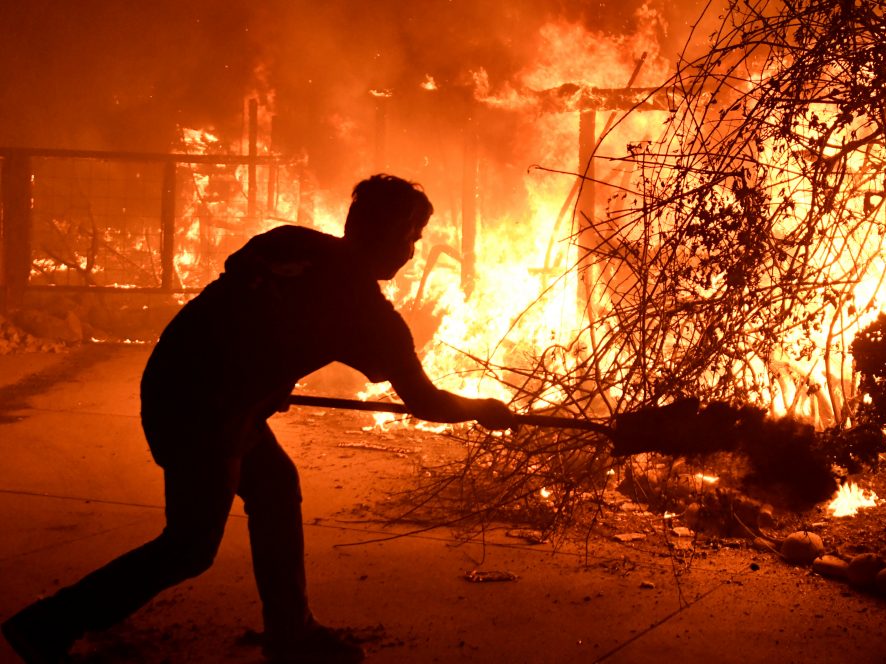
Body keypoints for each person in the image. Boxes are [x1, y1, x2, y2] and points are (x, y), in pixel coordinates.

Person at [1, 174, 514, 664]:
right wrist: (481, 410)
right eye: (412, 236)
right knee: (189, 547)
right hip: (206, 412)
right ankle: (47, 625)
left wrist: (267, 382)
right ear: (384, 232)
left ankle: (290, 631)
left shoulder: (290, 241)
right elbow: (423, 401)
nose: (412, 250)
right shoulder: (368, 314)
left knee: (273, 487)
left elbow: (249, 310)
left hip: (174, 378)